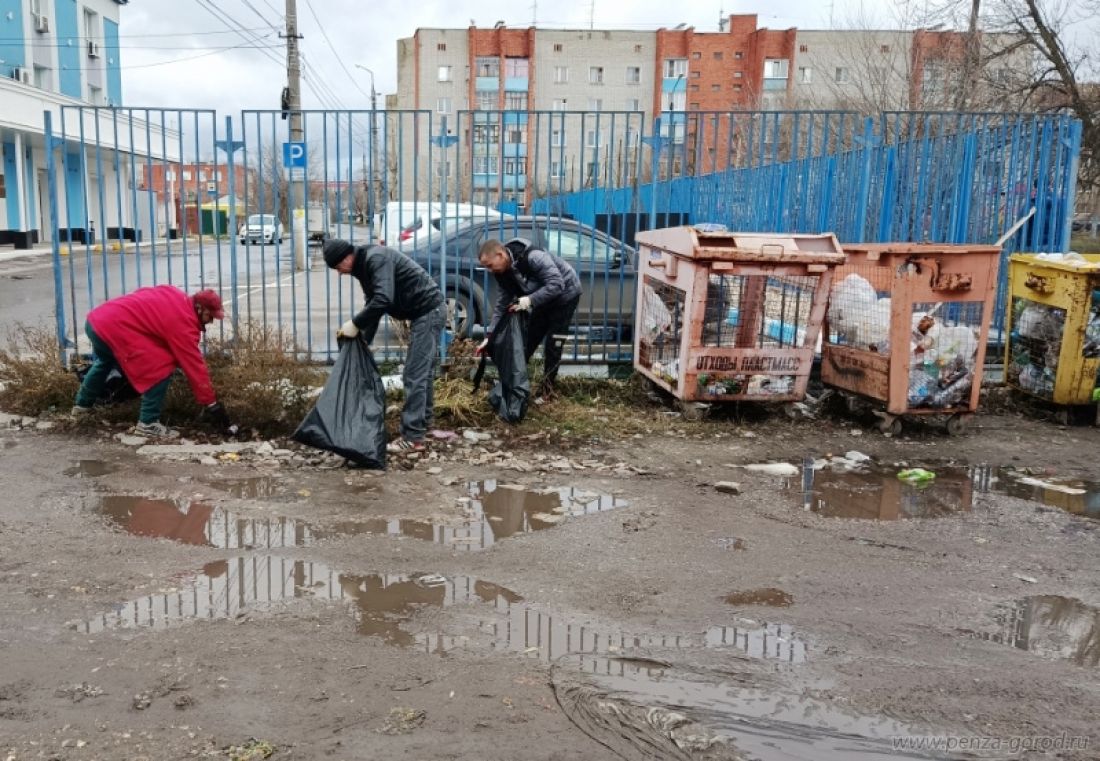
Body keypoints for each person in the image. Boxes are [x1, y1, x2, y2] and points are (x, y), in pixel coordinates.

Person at [323, 239, 445, 453]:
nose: (339, 273)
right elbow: (374, 303)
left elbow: (383, 300)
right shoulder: (364, 266)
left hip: (428, 311)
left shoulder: (376, 259)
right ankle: (424, 425)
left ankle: (412, 438)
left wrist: (355, 323)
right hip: (424, 313)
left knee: (414, 374)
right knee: (422, 374)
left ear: (346, 258)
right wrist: (364, 341)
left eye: (337, 267)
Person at [71, 286, 232, 437]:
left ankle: (81, 407)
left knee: (105, 362)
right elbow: (194, 366)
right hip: (115, 328)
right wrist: (211, 403)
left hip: (96, 322)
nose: (211, 321)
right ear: (199, 308)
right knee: (160, 367)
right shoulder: (183, 322)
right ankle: (148, 423)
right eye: (210, 316)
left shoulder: (174, 295)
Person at [476, 237, 582, 395]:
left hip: (566, 295)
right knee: (527, 341)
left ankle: (547, 392)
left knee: (553, 345)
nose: (490, 271)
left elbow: (556, 284)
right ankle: (514, 384)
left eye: (490, 265)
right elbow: (501, 305)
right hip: (541, 299)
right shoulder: (502, 272)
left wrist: (529, 300)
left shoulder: (534, 257)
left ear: (500, 254)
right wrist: (490, 336)